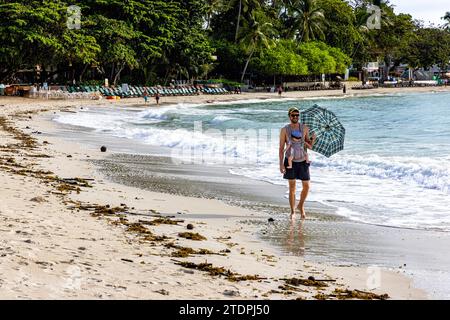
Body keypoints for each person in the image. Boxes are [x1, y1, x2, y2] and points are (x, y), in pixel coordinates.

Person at [279, 107, 316, 219]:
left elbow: (309, 145)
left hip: (303, 161)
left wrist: (313, 139)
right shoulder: (284, 130)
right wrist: (281, 164)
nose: (295, 117)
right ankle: (292, 211)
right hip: (290, 161)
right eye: (293, 115)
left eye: (297, 115)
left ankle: (300, 206)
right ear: (289, 116)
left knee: (307, 186)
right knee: (292, 187)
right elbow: (281, 148)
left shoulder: (304, 128)